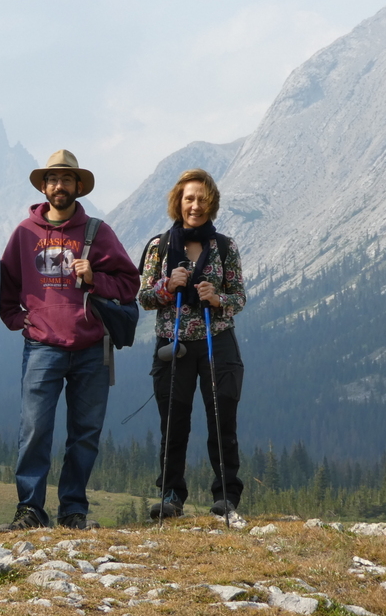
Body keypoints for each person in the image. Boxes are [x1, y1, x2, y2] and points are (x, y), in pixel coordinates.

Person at [0, 149, 139, 530]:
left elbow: (129, 284)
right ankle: (30, 510)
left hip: (92, 347)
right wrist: (19, 321)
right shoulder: (24, 234)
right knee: (34, 430)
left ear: (79, 186)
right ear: (44, 186)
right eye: (53, 179)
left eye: (67, 179)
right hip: (42, 347)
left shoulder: (98, 232)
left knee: (85, 434)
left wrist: (96, 278)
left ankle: (73, 510)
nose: (59, 186)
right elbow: (6, 285)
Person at [137, 168, 246, 519]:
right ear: (178, 202)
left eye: (201, 198)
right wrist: (167, 286)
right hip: (174, 342)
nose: (195, 205)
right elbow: (143, 296)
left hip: (219, 340)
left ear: (210, 202)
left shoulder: (225, 246)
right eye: (189, 199)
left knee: (222, 417)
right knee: (173, 420)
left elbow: (239, 297)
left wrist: (217, 299)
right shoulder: (159, 246)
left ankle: (226, 494)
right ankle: (171, 495)